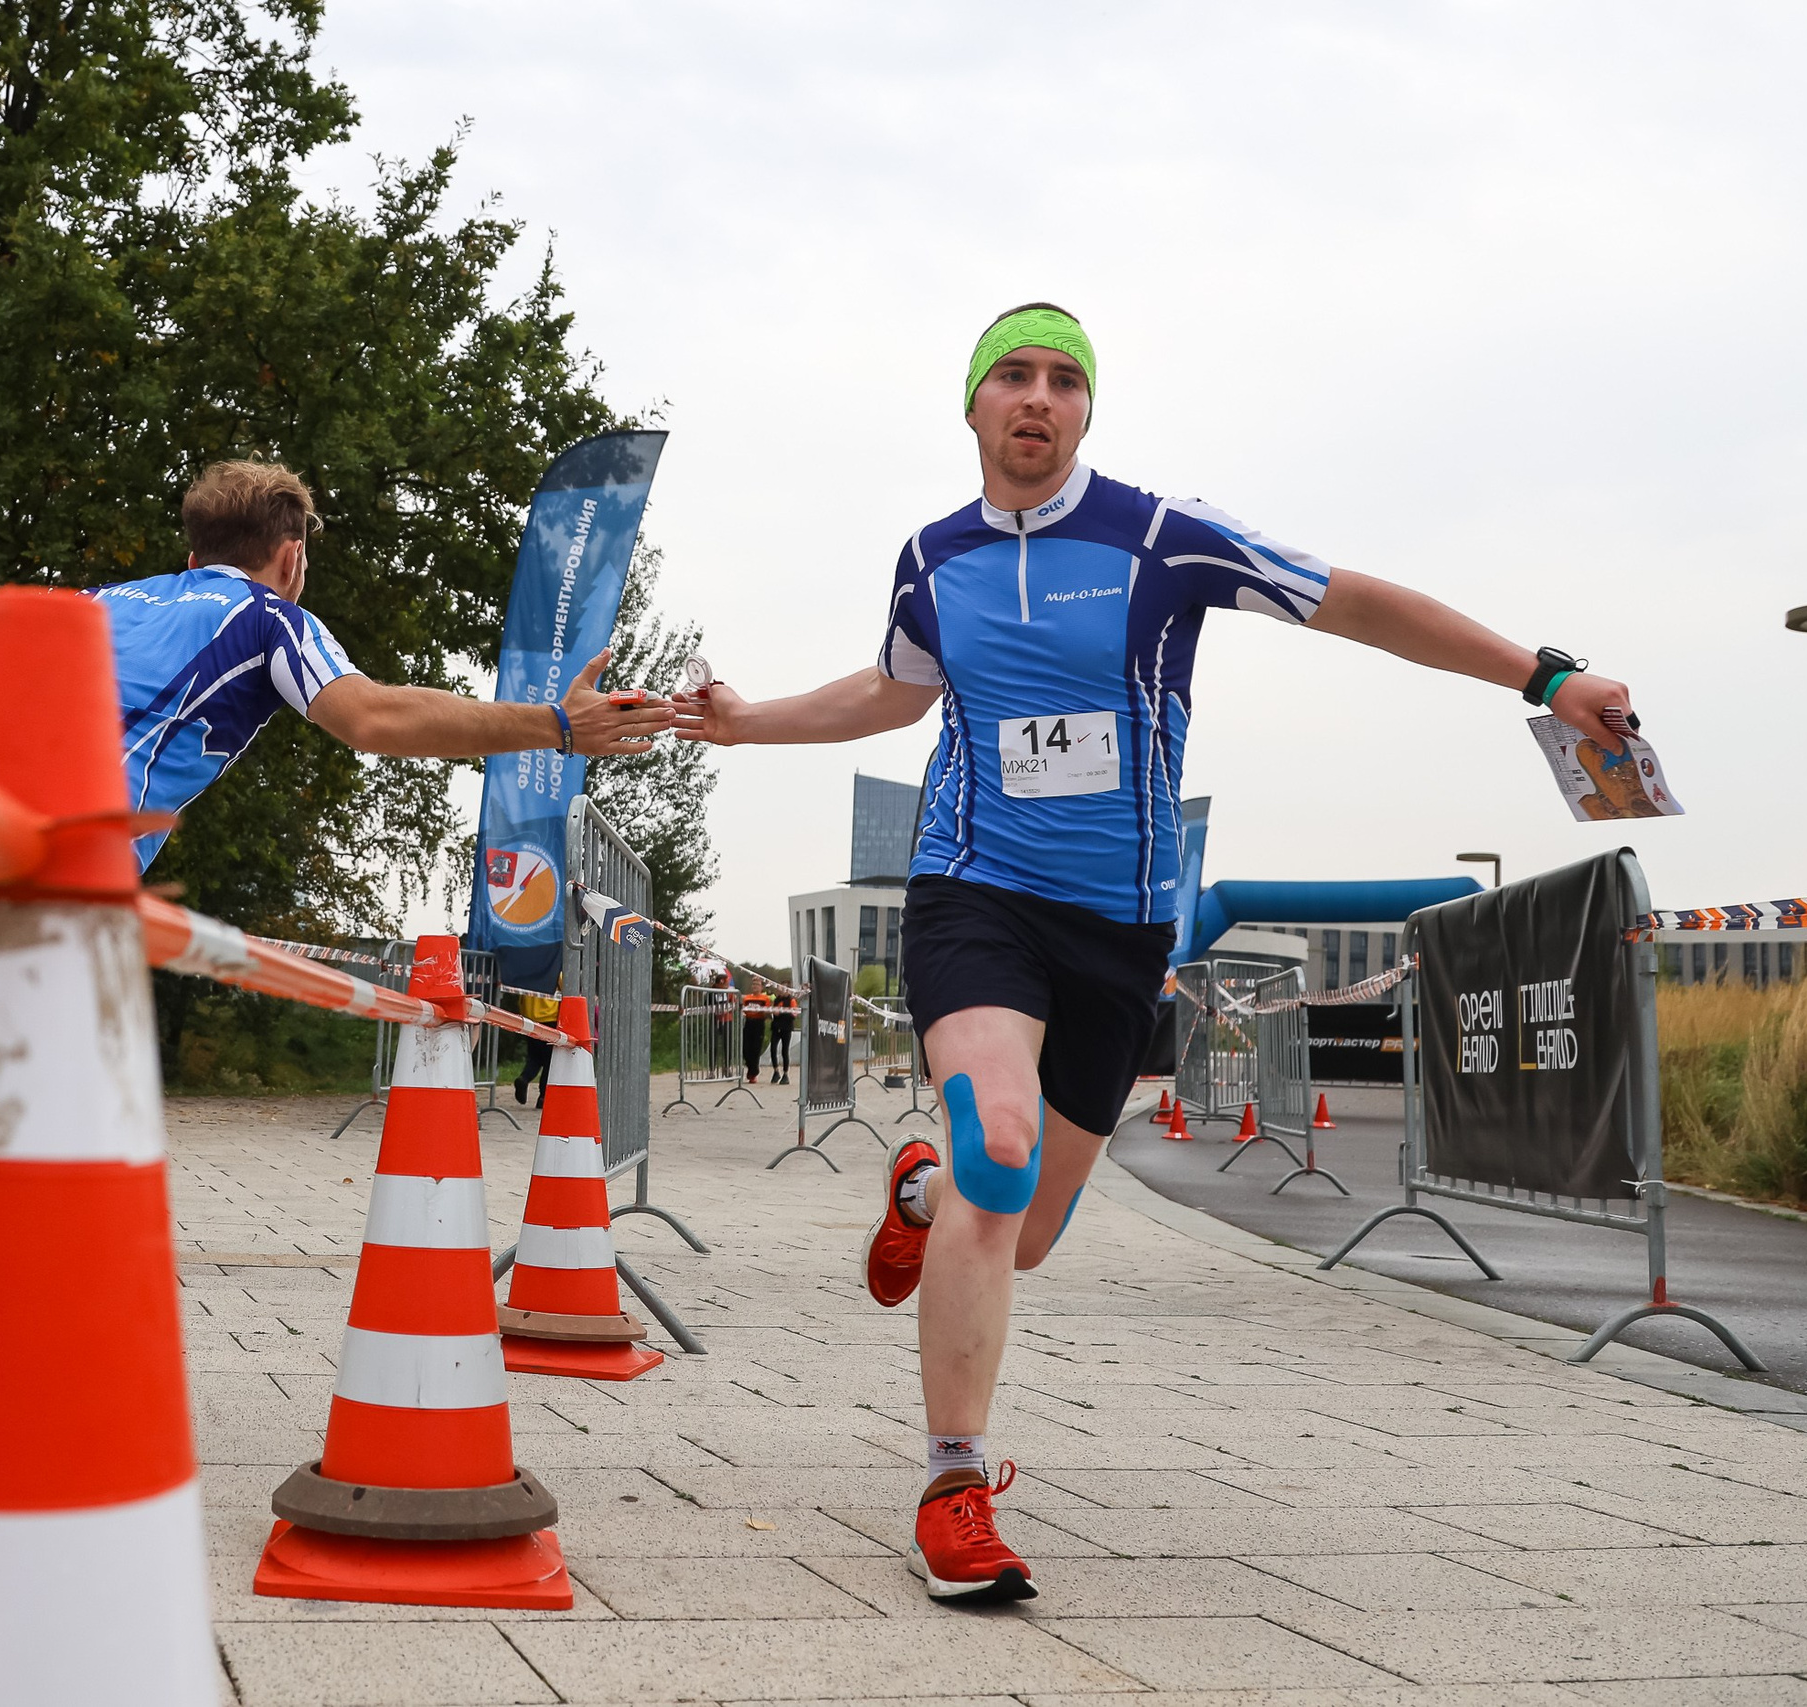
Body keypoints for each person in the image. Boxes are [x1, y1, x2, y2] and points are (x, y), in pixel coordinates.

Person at [672, 302, 1639, 1605]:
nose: (1037, 396)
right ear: (971, 407)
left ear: (1086, 413)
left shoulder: (1158, 539)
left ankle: (920, 1192)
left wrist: (1546, 674)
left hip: (1122, 930)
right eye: (1012, 374)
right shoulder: (933, 557)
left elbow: (1353, 601)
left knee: (1013, 1234)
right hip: (975, 894)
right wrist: (747, 725)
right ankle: (954, 1483)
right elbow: (893, 692)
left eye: (1064, 380)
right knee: (999, 1147)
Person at [0, 460, 671, 867]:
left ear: (193, 552)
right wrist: (557, 725)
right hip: (74, 866)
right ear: (292, 556)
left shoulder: (98, 599)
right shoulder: (270, 621)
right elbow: (373, 716)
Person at [510, 982, 561, 1107]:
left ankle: (524, 1078)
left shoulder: (531, 966)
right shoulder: (554, 966)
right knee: (549, 1060)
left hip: (530, 1017)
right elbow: (566, 985)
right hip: (550, 1017)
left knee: (534, 1057)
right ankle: (543, 1096)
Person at [739, 973, 770, 1083]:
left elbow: (767, 1012)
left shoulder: (765, 998)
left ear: (761, 987)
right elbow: (742, 1009)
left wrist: (765, 1012)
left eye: (757, 984)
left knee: (756, 1049)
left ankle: (753, 1073)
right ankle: (751, 1068)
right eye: (754, 984)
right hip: (748, 1022)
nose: (755, 986)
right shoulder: (747, 998)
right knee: (745, 1048)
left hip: (759, 1023)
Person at [768, 987, 797, 1085]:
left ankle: (785, 1073)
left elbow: (794, 1015)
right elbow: (773, 1010)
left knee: (785, 1051)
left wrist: (781, 1012)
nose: (781, 991)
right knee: (773, 1049)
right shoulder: (777, 1000)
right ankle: (776, 1070)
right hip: (776, 1027)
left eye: (783, 989)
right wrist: (774, 1012)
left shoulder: (791, 1000)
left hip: (786, 1028)